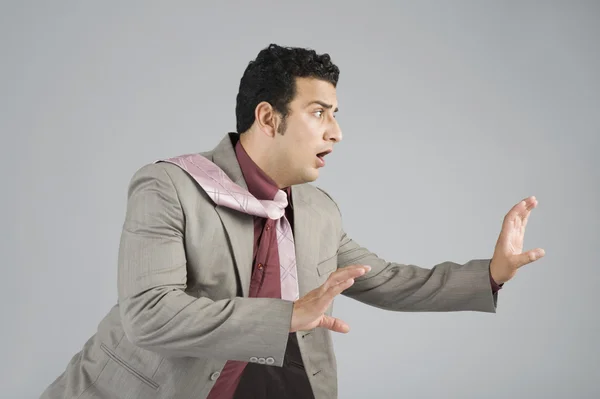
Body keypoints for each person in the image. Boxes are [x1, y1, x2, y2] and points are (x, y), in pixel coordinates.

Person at [40, 43, 545, 399]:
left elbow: (385, 280)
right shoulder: (168, 187)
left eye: (336, 114)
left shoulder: (316, 208)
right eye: (320, 113)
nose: (338, 132)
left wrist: (491, 274)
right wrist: (287, 316)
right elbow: (149, 314)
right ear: (268, 118)